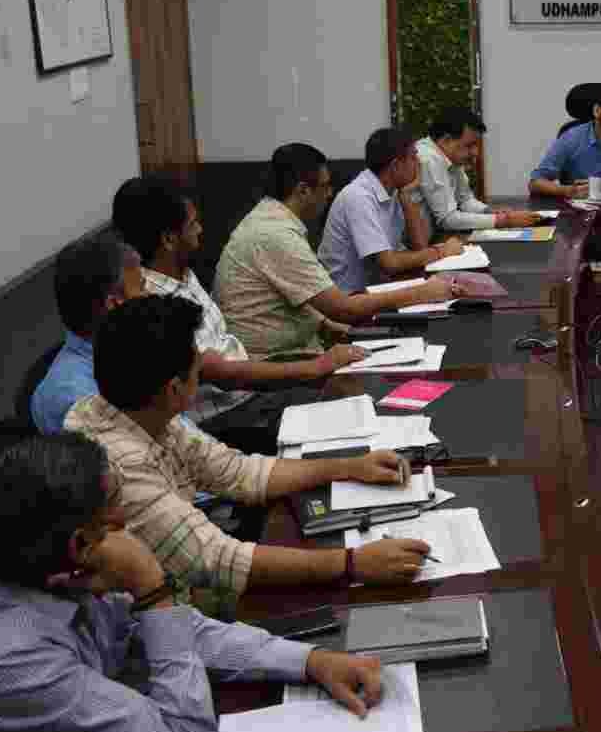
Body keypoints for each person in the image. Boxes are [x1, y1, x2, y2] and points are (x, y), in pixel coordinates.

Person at [0, 432, 388, 732]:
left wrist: (309, 660)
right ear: (81, 544)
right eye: (114, 513)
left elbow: (177, 632)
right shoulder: (2, 661)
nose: (125, 524)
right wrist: (152, 589)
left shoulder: (40, 557)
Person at [65, 295, 431, 615]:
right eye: (197, 365)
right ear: (174, 389)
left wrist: (349, 466)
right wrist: (353, 563)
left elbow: (238, 472)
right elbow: (217, 561)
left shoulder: (138, 408)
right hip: (164, 618)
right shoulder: (120, 463)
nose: (203, 366)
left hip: (189, 585)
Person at [113, 176, 368, 454]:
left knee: (349, 387)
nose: (200, 230)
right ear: (169, 239)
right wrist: (316, 367)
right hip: (224, 416)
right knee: (345, 408)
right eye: (193, 224)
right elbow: (223, 374)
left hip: (245, 393)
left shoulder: (180, 272)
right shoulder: (153, 300)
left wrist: (321, 349)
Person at [215, 142, 469, 360]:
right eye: (325, 186)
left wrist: (326, 325)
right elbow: (345, 307)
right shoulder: (275, 234)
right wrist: (422, 293)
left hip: (310, 337)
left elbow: (294, 293)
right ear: (303, 190)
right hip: (275, 361)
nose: (330, 194)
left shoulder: (272, 219)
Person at [319, 127, 467, 293]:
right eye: (413, 158)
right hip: (349, 296)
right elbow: (390, 263)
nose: (419, 164)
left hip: (378, 285)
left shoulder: (394, 189)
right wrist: (441, 252)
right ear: (396, 165)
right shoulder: (358, 196)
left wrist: (406, 196)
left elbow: (420, 245)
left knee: (451, 288)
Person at [31, 235, 145, 434]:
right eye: (142, 288)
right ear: (115, 304)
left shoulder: (131, 350)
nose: (151, 296)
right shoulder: (71, 396)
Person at [416, 108, 540, 231]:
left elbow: (465, 200)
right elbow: (448, 219)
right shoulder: (428, 158)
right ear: (446, 141)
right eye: (469, 145)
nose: (475, 153)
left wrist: (491, 212)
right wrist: (505, 221)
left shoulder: (450, 156)